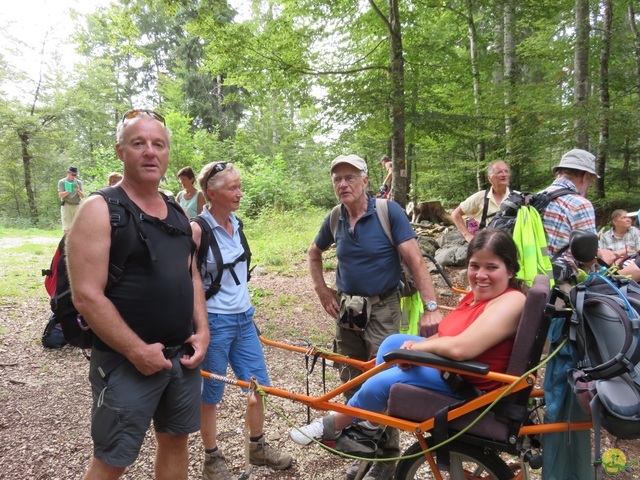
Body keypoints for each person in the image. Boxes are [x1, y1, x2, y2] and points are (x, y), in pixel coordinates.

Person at [66, 110, 209, 480]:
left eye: (158, 144)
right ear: (120, 151)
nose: (150, 152)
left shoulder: (177, 212)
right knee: (113, 459)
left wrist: (203, 330)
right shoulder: (100, 210)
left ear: (167, 153)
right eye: (138, 143)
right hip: (124, 361)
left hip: (180, 357)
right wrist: (135, 350)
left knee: (176, 439)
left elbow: (191, 274)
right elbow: (86, 295)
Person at [292, 229, 527, 450]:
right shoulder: (481, 295)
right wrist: (415, 349)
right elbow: (448, 333)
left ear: (510, 270)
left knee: (385, 381)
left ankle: (331, 425)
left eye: (491, 267)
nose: (481, 275)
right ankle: (369, 423)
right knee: (391, 344)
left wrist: (419, 349)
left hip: (471, 384)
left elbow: (461, 348)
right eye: (474, 266)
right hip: (456, 368)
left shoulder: (511, 301)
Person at [308, 153, 441, 479]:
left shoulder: (388, 212)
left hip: (383, 306)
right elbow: (313, 253)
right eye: (337, 178)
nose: (343, 184)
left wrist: (431, 308)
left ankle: (387, 461)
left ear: (366, 180)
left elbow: (415, 260)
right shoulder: (335, 218)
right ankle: (363, 451)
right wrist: (323, 291)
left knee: (383, 379)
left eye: (350, 177)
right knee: (352, 379)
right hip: (347, 310)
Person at [192, 161, 293, 480]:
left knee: (258, 386)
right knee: (211, 394)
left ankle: (257, 448)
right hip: (215, 322)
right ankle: (212, 459)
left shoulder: (238, 224)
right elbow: (187, 280)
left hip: (244, 319)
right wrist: (199, 327)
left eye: (239, 186)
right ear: (211, 193)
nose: (239, 193)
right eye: (232, 188)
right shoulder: (198, 230)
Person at [451, 161, 510, 243]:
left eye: (506, 171)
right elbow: (455, 214)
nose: (504, 175)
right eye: (499, 172)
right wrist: (467, 236)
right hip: (487, 247)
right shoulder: (480, 197)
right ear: (489, 178)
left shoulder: (518, 197)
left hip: (512, 247)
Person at [57, 166, 85, 234]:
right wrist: (68, 191)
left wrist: (77, 190)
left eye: (75, 175)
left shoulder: (78, 182)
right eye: (73, 174)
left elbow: (83, 195)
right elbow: (60, 195)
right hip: (66, 205)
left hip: (76, 205)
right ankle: (66, 242)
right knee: (67, 226)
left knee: (77, 226)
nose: (74, 176)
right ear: (68, 173)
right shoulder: (62, 182)